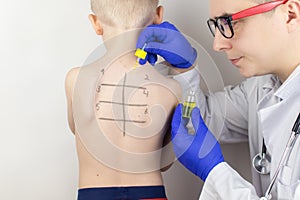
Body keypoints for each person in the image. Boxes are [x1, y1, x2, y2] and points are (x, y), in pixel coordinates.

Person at [136, 0, 300, 199]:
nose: (217, 44)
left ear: (290, 14)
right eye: (216, 25)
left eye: (229, 22)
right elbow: (203, 118)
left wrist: (215, 172)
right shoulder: (262, 87)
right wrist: (184, 69)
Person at [65, 0, 182, 199]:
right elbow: (165, 163)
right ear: (158, 16)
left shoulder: (75, 80)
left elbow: (77, 129)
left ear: (95, 22)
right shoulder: (172, 88)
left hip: (93, 193)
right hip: (150, 192)